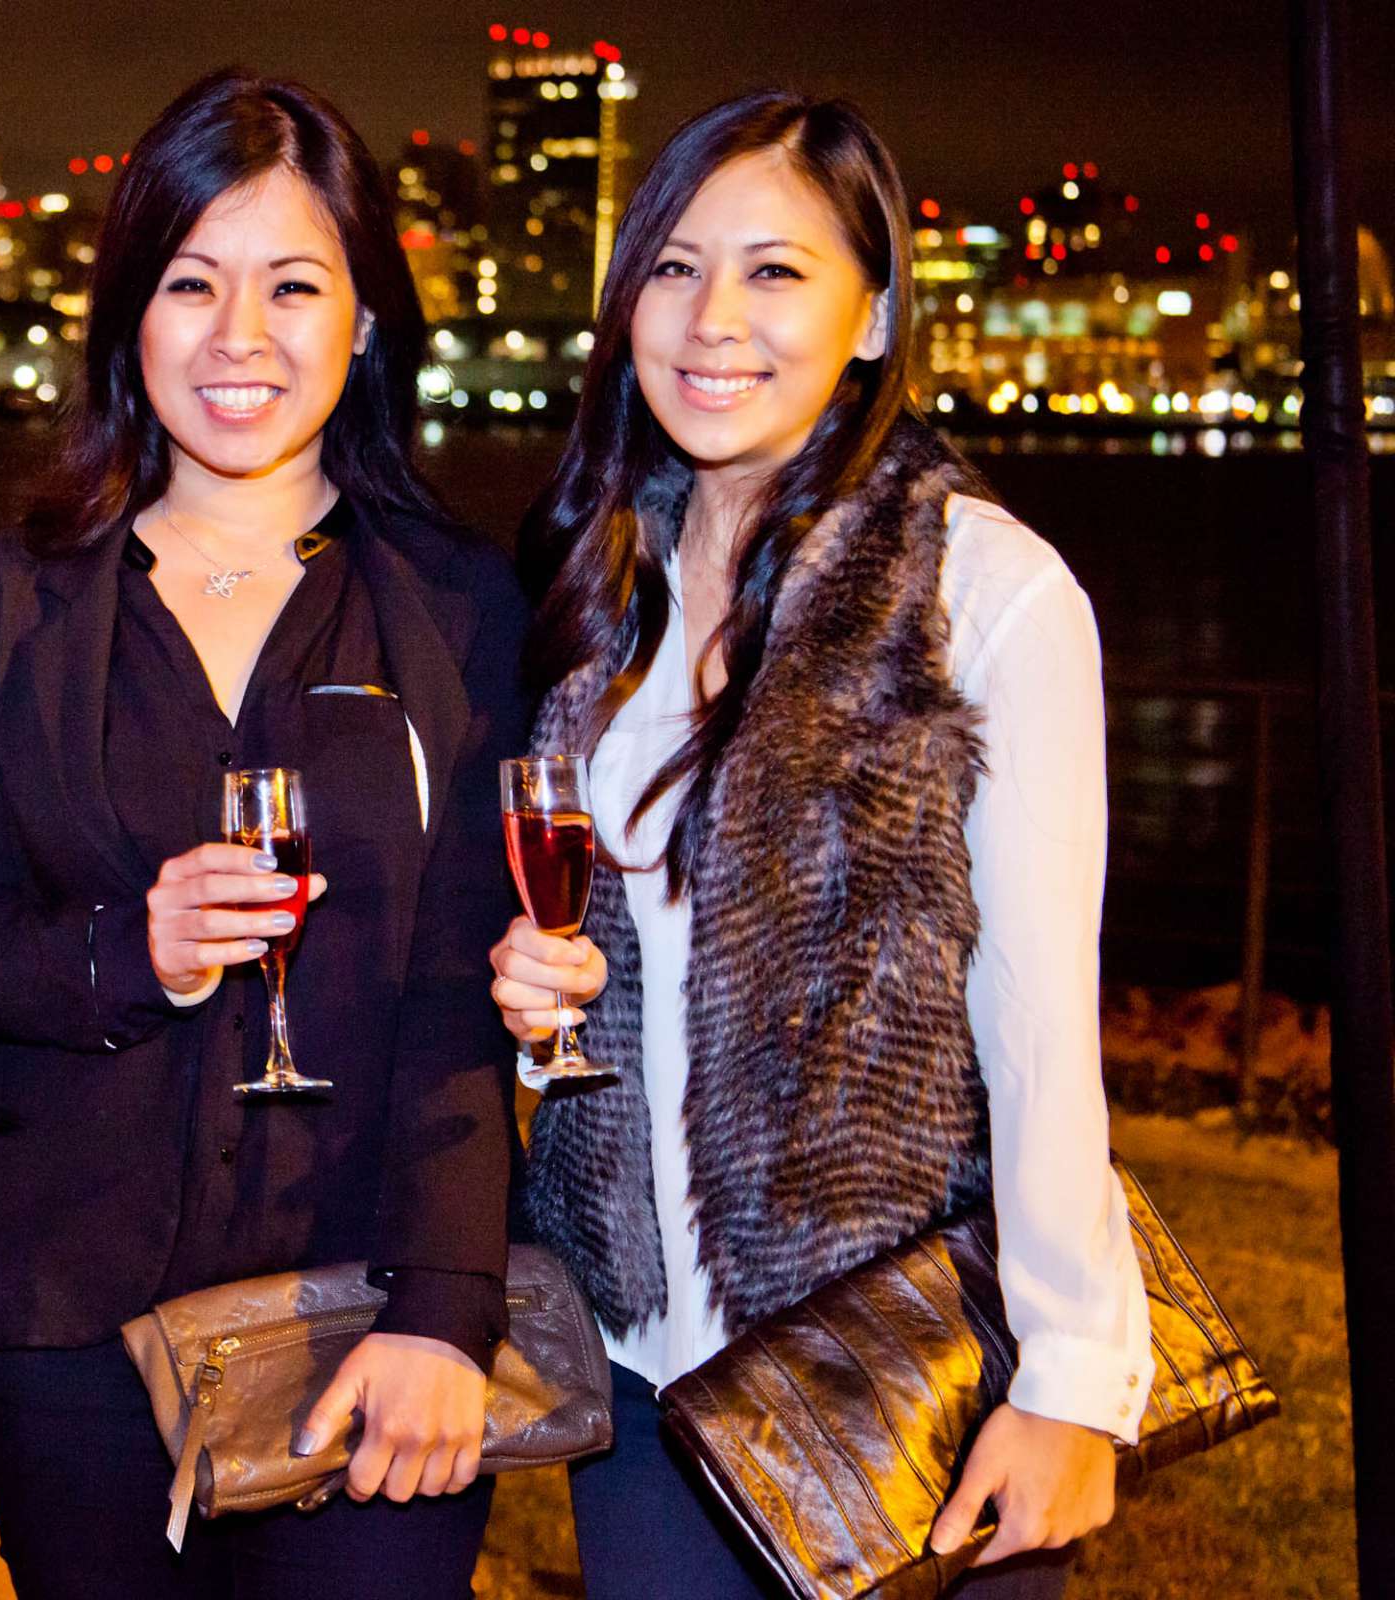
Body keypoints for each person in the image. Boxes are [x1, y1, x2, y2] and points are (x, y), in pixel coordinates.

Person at [490, 91, 1154, 1600]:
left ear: (871, 315)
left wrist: (1071, 1382)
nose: (714, 317)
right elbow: (629, 966)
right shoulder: (611, 588)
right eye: (671, 266)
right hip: (648, 1372)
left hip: (895, 1366)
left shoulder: (982, 594)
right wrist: (545, 1010)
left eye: (776, 271)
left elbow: (1043, 1021)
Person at [0, 69, 529, 1600]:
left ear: (368, 321)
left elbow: (467, 980)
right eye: (192, 283)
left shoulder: (454, 607)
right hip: (74, 1321)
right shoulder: (11, 596)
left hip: (362, 1317)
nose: (238, 338)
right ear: (129, 314)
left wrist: (445, 1312)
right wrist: (138, 950)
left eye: (293, 286)